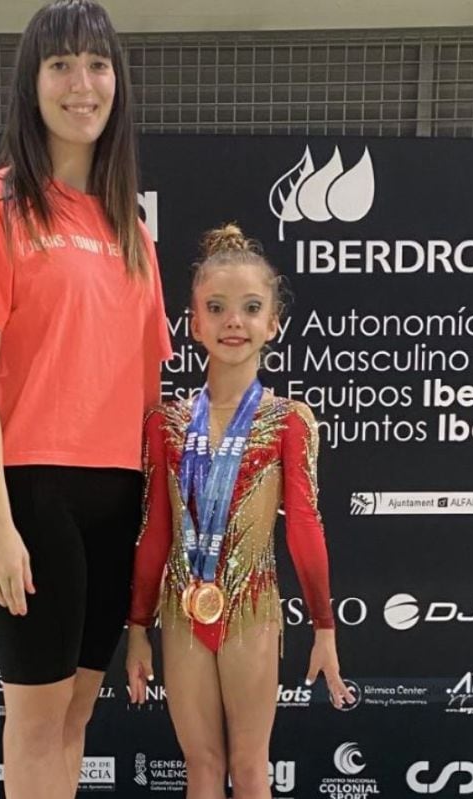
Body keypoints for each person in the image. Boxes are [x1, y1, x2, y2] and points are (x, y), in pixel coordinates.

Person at [0, 2, 171, 797]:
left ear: (119, 83)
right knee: (37, 719)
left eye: (98, 65)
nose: (83, 84)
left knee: (74, 714)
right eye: (61, 65)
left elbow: (146, 391)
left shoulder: (130, 229)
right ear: (30, 85)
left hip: (116, 494)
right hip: (30, 493)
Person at [126, 224, 353, 799]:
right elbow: (154, 532)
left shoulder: (289, 420)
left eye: (251, 308)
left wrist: (324, 629)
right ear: (194, 322)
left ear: (273, 323)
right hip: (181, 611)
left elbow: (304, 527)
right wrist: (137, 630)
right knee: (201, 766)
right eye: (217, 308)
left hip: (252, 609)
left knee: (251, 767)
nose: (234, 322)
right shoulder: (167, 423)